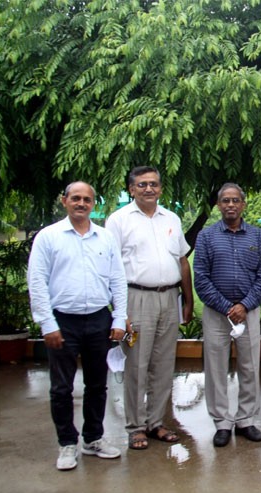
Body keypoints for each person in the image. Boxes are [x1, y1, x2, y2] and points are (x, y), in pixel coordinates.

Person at [27, 181, 127, 471]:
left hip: (99, 319)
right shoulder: (48, 237)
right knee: (61, 388)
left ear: (94, 203)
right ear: (64, 201)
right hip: (63, 322)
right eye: (75, 198)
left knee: (97, 384)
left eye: (87, 199)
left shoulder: (105, 238)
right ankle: (67, 443)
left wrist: (119, 318)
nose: (81, 203)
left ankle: (93, 438)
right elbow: (37, 281)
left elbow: (117, 280)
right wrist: (47, 324)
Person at [106, 166, 194, 451]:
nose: (148, 189)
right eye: (142, 184)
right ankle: (135, 426)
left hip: (169, 298)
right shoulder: (118, 221)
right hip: (136, 298)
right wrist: (121, 312)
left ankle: (156, 422)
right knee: (137, 365)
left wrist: (188, 299)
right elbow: (111, 267)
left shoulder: (172, 218)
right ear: (131, 189)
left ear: (160, 188)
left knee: (164, 364)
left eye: (153, 184)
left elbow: (182, 260)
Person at [193, 183, 261, 447]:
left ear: (243, 204)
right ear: (218, 205)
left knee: (249, 367)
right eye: (225, 200)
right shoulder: (206, 236)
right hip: (217, 313)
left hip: (248, 312)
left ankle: (246, 420)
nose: (230, 205)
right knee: (216, 368)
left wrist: (244, 306)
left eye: (235, 200)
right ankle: (222, 423)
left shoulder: (257, 236)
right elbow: (200, 279)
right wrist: (227, 307)